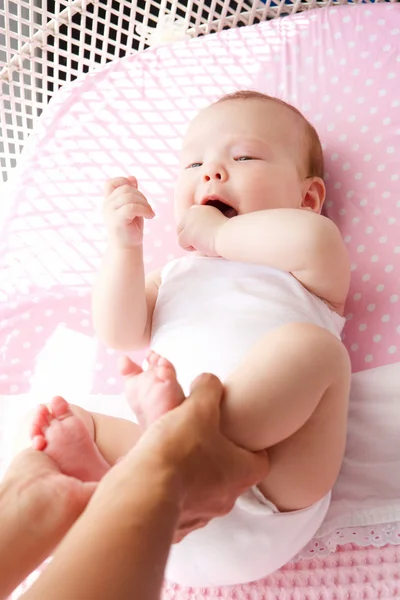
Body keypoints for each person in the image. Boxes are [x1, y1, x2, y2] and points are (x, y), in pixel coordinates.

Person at [27, 90, 351, 585]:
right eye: (194, 162)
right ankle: (145, 461)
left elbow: (315, 239)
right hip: (159, 508)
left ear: (307, 199)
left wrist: (217, 237)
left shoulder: (306, 258)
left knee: (314, 350)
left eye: (242, 157)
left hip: (271, 489)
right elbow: (118, 331)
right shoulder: (175, 274)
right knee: (68, 424)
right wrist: (123, 247)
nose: (211, 172)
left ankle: (179, 441)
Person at [3, 374, 269, 600]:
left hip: (128, 556)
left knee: (36, 427)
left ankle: (54, 504)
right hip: (255, 517)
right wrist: (160, 476)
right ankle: (143, 476)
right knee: (302, 345)